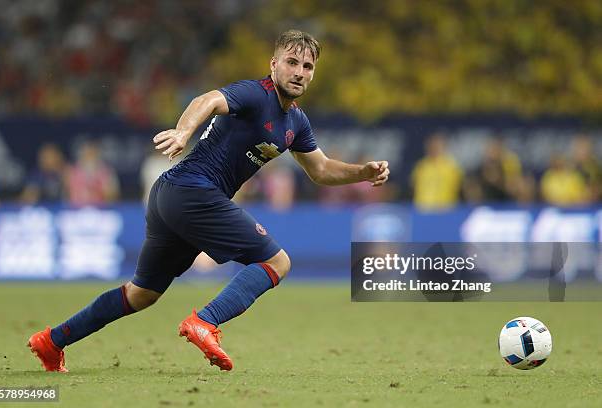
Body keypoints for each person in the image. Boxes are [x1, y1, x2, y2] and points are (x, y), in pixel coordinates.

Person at [27, 30, 390, 372]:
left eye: (307, 66)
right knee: (276, 262)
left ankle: (51, 341)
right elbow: (208, 100)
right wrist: (185, 131)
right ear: (273, 64)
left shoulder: (296, 121)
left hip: (171, 197)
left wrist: (364, 172)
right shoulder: (255, 94)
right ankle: (205, 322)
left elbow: (322, 170)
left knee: (141, 294)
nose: (299, 72)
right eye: (291, 62)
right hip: (191, 191)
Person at [411, 133, 462, 211]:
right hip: (423, 210)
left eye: (437, 146)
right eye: (431, 145)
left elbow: (460, 187)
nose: (434, 148)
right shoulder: (421, 166)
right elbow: (414, 185)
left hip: (445, 210)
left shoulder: (452, 166)